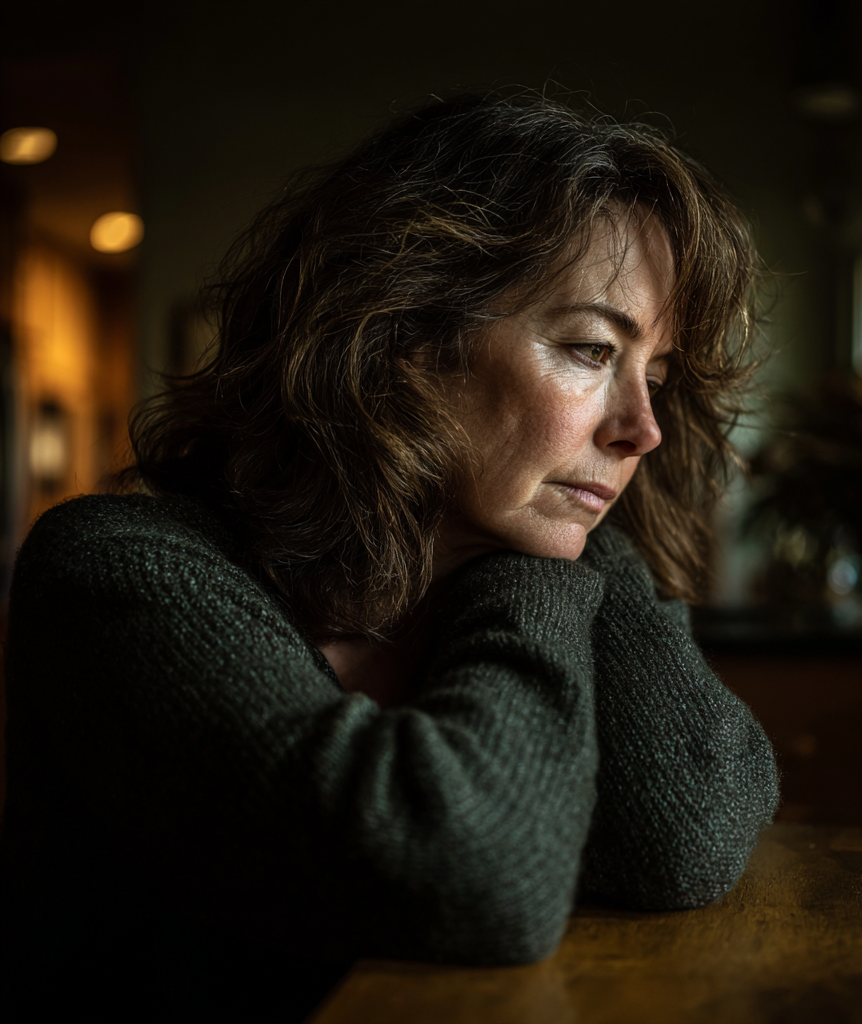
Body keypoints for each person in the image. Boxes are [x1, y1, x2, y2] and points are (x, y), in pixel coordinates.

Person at [0, 91, 778, 1022]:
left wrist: (540, 559)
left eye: (653, 375)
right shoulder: (120, 572)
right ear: (400, 334)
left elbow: (683, 837)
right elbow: (472, 874)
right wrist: (538, 576)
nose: (642, 428)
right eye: (587, 349)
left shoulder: (543, 552)